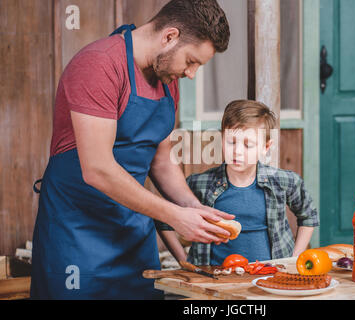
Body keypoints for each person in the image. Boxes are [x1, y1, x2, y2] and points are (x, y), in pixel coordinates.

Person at [31, 0, 233, 300]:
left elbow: (162, 162)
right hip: (77, 234)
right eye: (191, 61)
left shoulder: (167, 80)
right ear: (169, 37)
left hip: (133, 238)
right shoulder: (98, 65)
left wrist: (194, 209)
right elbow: (97, 168)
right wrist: (175, 216)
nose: (191, 74)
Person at [158, 100, 320, 266]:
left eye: (248, 145)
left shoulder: (285, 181)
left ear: (266, 147)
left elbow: (309, 216)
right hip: (213, 282)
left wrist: (294, 258)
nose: (237, 151)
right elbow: (163, 219)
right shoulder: (198, 184)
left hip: (271, 278)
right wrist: (184, 261)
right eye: (231, 142)